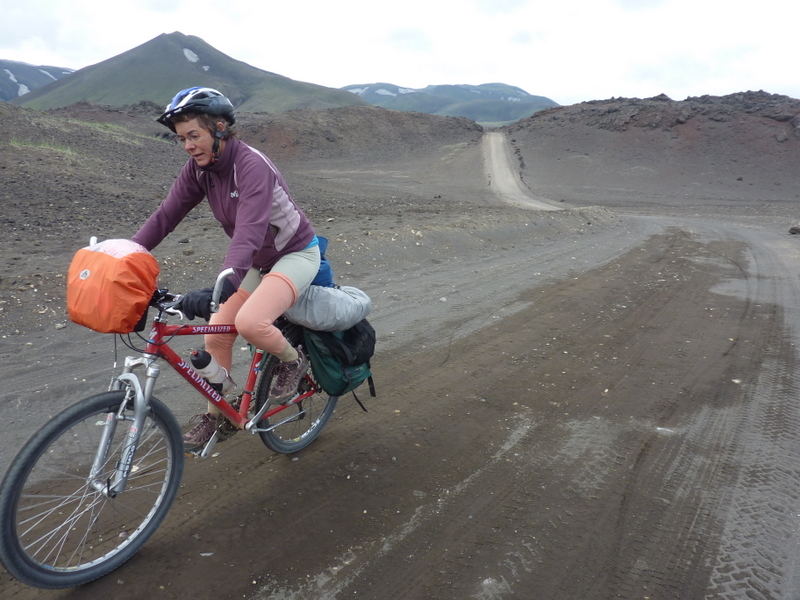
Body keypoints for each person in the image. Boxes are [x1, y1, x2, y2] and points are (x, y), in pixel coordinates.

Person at [132, 87, 321, 451]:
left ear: (219, 128)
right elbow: (166, 216)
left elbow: (249, 231)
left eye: (193, 135)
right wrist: (127, 254)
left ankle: (292, 361)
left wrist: (223, 288)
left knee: (250, 323)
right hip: (259, 261)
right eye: (181, 138)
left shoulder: (251, 166)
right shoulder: (200, 170)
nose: (187, 145)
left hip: (295, 254)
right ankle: (217, 417)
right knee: (216, 334)